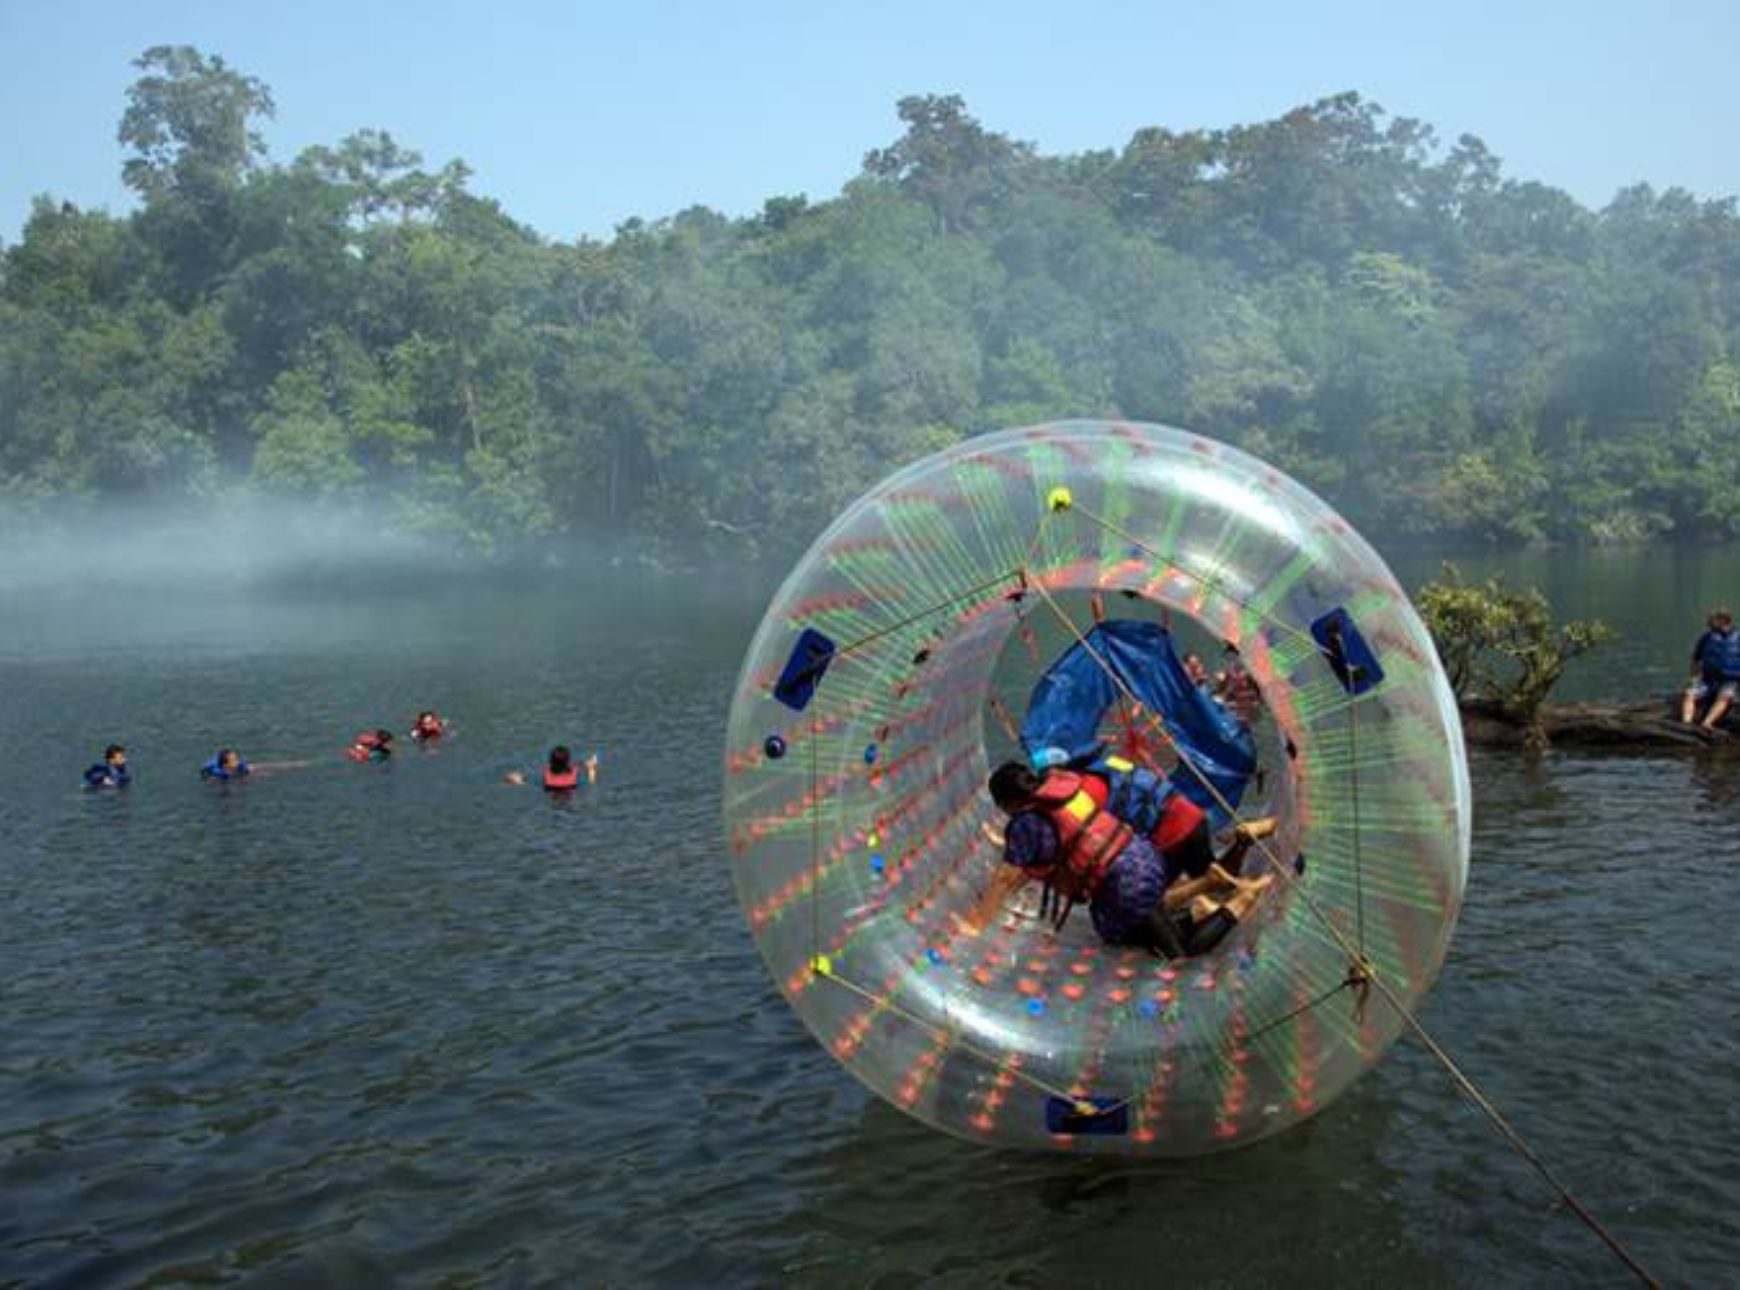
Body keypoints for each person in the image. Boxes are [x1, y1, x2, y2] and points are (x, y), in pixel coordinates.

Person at [956, 761, 1273, 958]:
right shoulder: (1069, 790)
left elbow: (1006, 878)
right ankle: (1197, 906)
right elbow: (1055, 849)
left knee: (1179, 953)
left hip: (1124, 884)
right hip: (1143, 856)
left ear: (1009, 802)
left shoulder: (1027, 824)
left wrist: (977, 923)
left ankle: (1242, 901)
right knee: (1124, 932)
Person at [1681, 609, 1740, 728]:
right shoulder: (1707, 637)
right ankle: (1686, 722)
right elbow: (1696, 659)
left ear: (1723, 620)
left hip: (1730, 679)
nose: (1708, 623)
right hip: (1707, 679)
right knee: (1690, 694)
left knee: (1725, 697)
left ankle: (1707, 723)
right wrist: (1693, 678)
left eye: (1712, 620)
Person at [504, 745, 600, 789]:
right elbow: (578, 768)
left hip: (550, 791)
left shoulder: (547, 771)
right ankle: (591, 767)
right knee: (591, 779)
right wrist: (591, 769)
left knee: (517, 778)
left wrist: (520, 780)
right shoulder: (574, 771)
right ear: (568, 761)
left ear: (551, 761)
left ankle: (519, 782)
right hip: (570, 790)